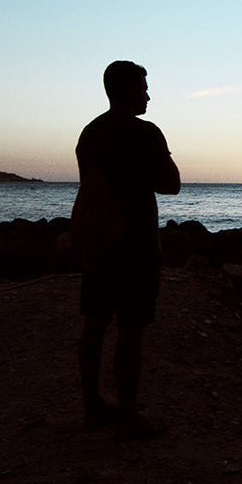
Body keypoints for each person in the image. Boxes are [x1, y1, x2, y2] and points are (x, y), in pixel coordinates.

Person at [74, 60, 181, 440]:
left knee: (96, 323)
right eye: (143, 87)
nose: (148, 95)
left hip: (99, 241)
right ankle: (128, 413)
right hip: (135, 244)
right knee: (131, 329)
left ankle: (92, 407)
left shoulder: (90, 134)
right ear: (124, 90)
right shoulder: (146, 133)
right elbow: (171, 185)